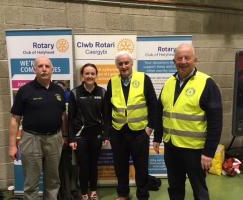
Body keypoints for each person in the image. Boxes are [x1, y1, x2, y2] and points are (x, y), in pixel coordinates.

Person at [153, 43, 223, 200]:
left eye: (187, 58)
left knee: (199, 190)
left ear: (195, 60)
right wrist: (157, 137)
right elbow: (160, 111)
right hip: (171, 148)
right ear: (174, 61)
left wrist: (209, 152)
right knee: (175, 187)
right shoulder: (169, 82)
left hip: (195, 151)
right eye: (179, 58)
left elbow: (216, 122)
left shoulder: (207, 83)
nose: (183, 61)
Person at [8, 56, 67, 200]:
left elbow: (63, 115)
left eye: (47, 66)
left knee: (53, 180)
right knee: (31, 182)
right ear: (34, 69)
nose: (44, 69)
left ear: (52, 69)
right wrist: (12, 146)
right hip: (31, 139)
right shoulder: (25, 90)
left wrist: (64, 135)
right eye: (40, 66)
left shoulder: (59, 90)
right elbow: (15, 119)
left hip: (55, 139)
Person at [104, 51, 158, 200]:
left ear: (132, 63)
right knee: (120, 166)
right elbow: (107, 108)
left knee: (141, 166)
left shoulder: (143, 78)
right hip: (118, 132)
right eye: (120, 63)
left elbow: (154, 105)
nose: (123, 66)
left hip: (140, 132)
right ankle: (123, 194)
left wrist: (150, 128)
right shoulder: (112, 81)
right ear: (117, 66)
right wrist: (108, 131)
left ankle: (142, 195)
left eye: (126, 62)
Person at [68, 63, 106, 200]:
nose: (89, 76)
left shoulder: (102, 92)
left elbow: (106, 116)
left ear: (96, 75)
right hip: (80, 137)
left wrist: (105, 135)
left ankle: (94, 191)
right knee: (83, 166)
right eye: (87, 73)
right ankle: (84, 193)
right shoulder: (74, 93)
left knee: (93, 165)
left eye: (92, 73)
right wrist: (71, 139)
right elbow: (70, 118)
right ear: (82, 76)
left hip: (96, 136)